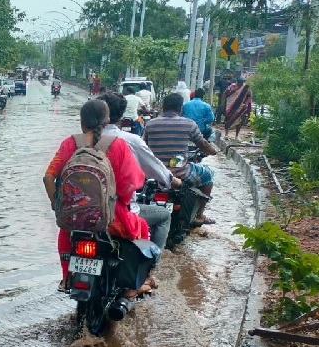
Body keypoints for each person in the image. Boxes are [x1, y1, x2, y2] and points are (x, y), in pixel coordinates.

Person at [43, 99, 153, 297]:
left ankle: (67, 276)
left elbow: (48, 177)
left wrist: (57, 205)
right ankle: (132, 286)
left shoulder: (70, 143)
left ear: (81, 121)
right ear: (108, 120)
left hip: (73, 218)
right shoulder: (118, 145)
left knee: (64, 230)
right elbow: (130, 185)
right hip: (111, 218)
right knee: (142, 227)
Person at [99, 93, 181, 251]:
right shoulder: (129, 141)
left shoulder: (84, 140)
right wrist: (172, 180)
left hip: (86, 210)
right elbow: (155, 169)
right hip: (121, 211)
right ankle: (152, 265)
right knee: (164, 216)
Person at [144, 93, 219, 225]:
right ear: (180, 109)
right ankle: (200, 215)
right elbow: (202, 144)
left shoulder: (150, 124)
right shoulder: (189, 124)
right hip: (181, 172)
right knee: (208, 176)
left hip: (154, 173)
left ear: (163, 108)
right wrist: (213, 151)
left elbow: (143, 146)